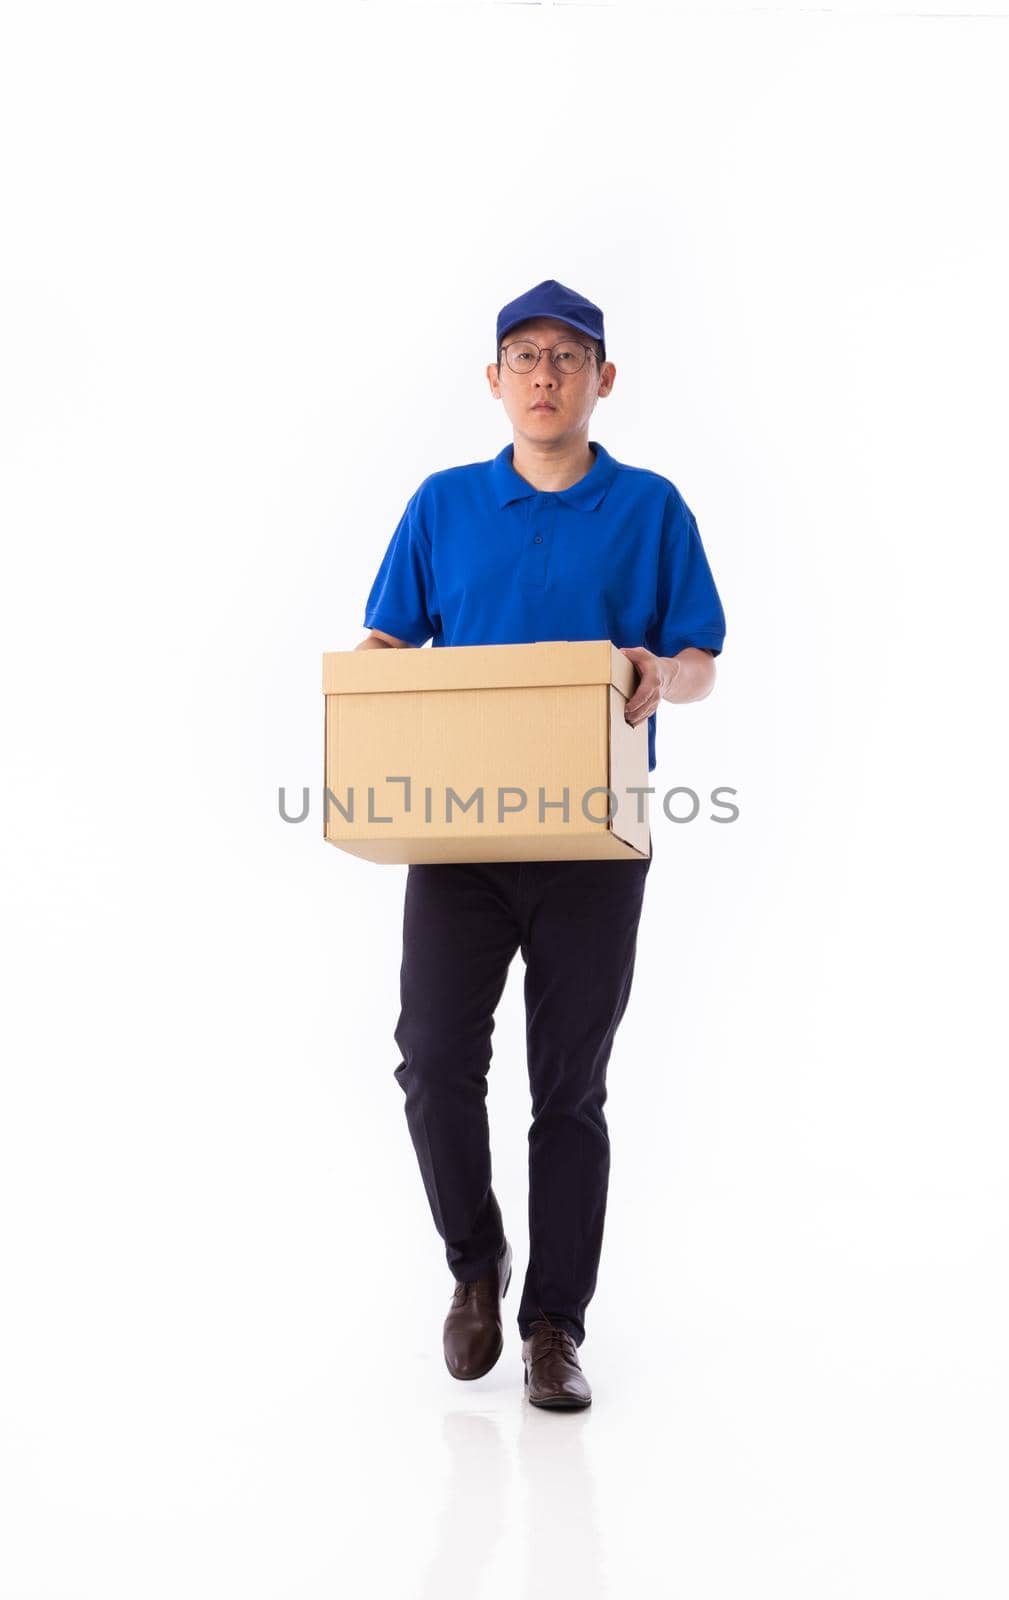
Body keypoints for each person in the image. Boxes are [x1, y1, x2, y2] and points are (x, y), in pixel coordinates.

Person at [354, 279, 726, 1409]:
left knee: (569, 1089)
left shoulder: (651, 507)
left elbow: (700, 657)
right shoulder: (442, 504)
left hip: (595, 841)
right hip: (459, 833)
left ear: (602, 380)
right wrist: (370, 680)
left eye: (570, 358)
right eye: (525, 356)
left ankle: (554, 1327)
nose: (546, 375)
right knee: (432, 1064)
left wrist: (666, 676)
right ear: (494, 379)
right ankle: (476, 1264)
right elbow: (382, 637)